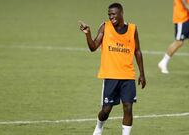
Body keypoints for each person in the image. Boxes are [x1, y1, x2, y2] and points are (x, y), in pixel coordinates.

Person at [79, 3, 146, 135]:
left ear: (121, 13)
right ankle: (99, 127)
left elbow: (137, 51)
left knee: (128, 107)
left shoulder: (132, 29)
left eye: (113, 14)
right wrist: (87, 34)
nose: (111, 17)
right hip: (110, 75)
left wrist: (142, 74)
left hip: (127, 75)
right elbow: (93, 47)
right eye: (109, 14)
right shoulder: (105, 27)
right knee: (106, 110)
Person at [158, 0, 189, 74]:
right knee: (179, 42)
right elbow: (184, 3)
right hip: (182, 18)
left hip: (187, 17)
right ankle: (163, 62)